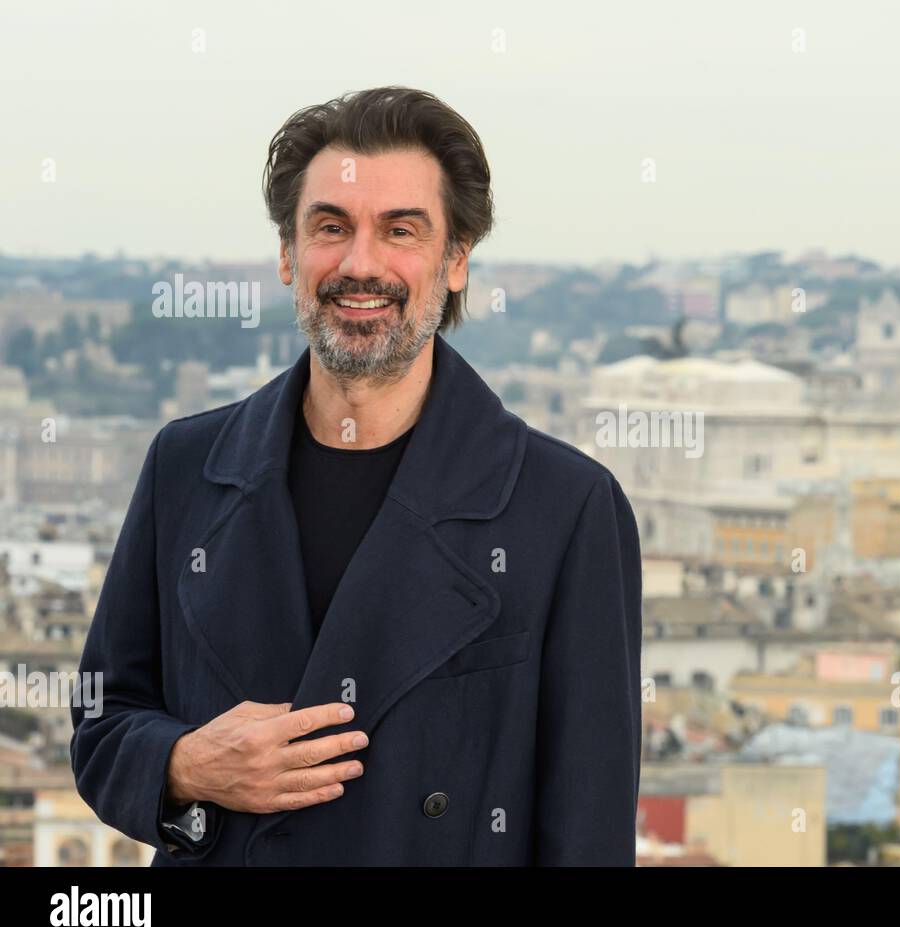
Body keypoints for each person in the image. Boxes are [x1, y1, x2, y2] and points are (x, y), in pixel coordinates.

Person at [69, 87, 643, 865]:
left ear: (457, 260)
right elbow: (102, 723)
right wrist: (184, 765)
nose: (360, 264)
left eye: (400, 230)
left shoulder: (566, 506)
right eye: (330, 228)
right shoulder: (186, 467)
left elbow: (587, 833)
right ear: (288, 255)